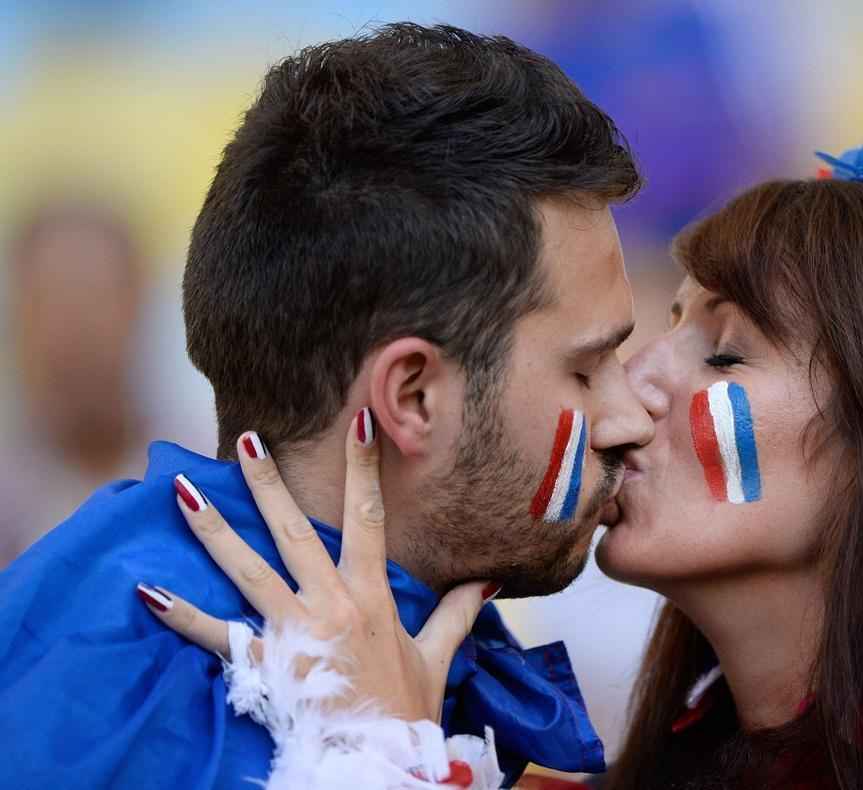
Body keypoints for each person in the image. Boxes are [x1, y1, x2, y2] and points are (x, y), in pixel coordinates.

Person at [154, 128, 863, 789]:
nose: (632, 382)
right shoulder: (686, 749)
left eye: (724, 350)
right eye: (665, 325)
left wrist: (374, 760)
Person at [0, 23, 653, 789]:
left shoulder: (421, 622)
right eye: (586, 368)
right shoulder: (134, 690)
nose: (631, 418)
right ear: (411, 397)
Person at [0, 201, 148, 567]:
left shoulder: (206, 469)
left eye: (95, 298)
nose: (76, 331)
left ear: (136, 306)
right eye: (52, 302)